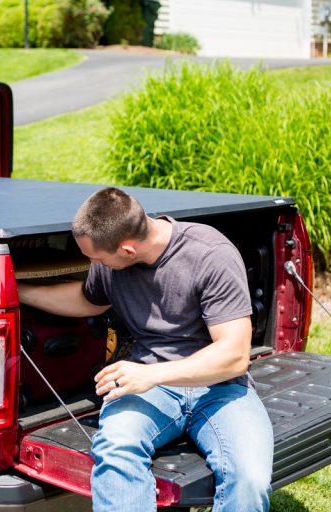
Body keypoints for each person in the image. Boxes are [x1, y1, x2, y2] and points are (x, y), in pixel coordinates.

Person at [17, 187, 273, 512]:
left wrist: (152, 374)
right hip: (151, 387)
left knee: (249, 479)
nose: (92, 263)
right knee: (116, 450)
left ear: (127, 249)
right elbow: (87, 299)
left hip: (219, 387)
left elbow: (234, 356)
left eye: (96, 258)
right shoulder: (111, 263)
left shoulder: (210, 254)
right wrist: (17, 290)